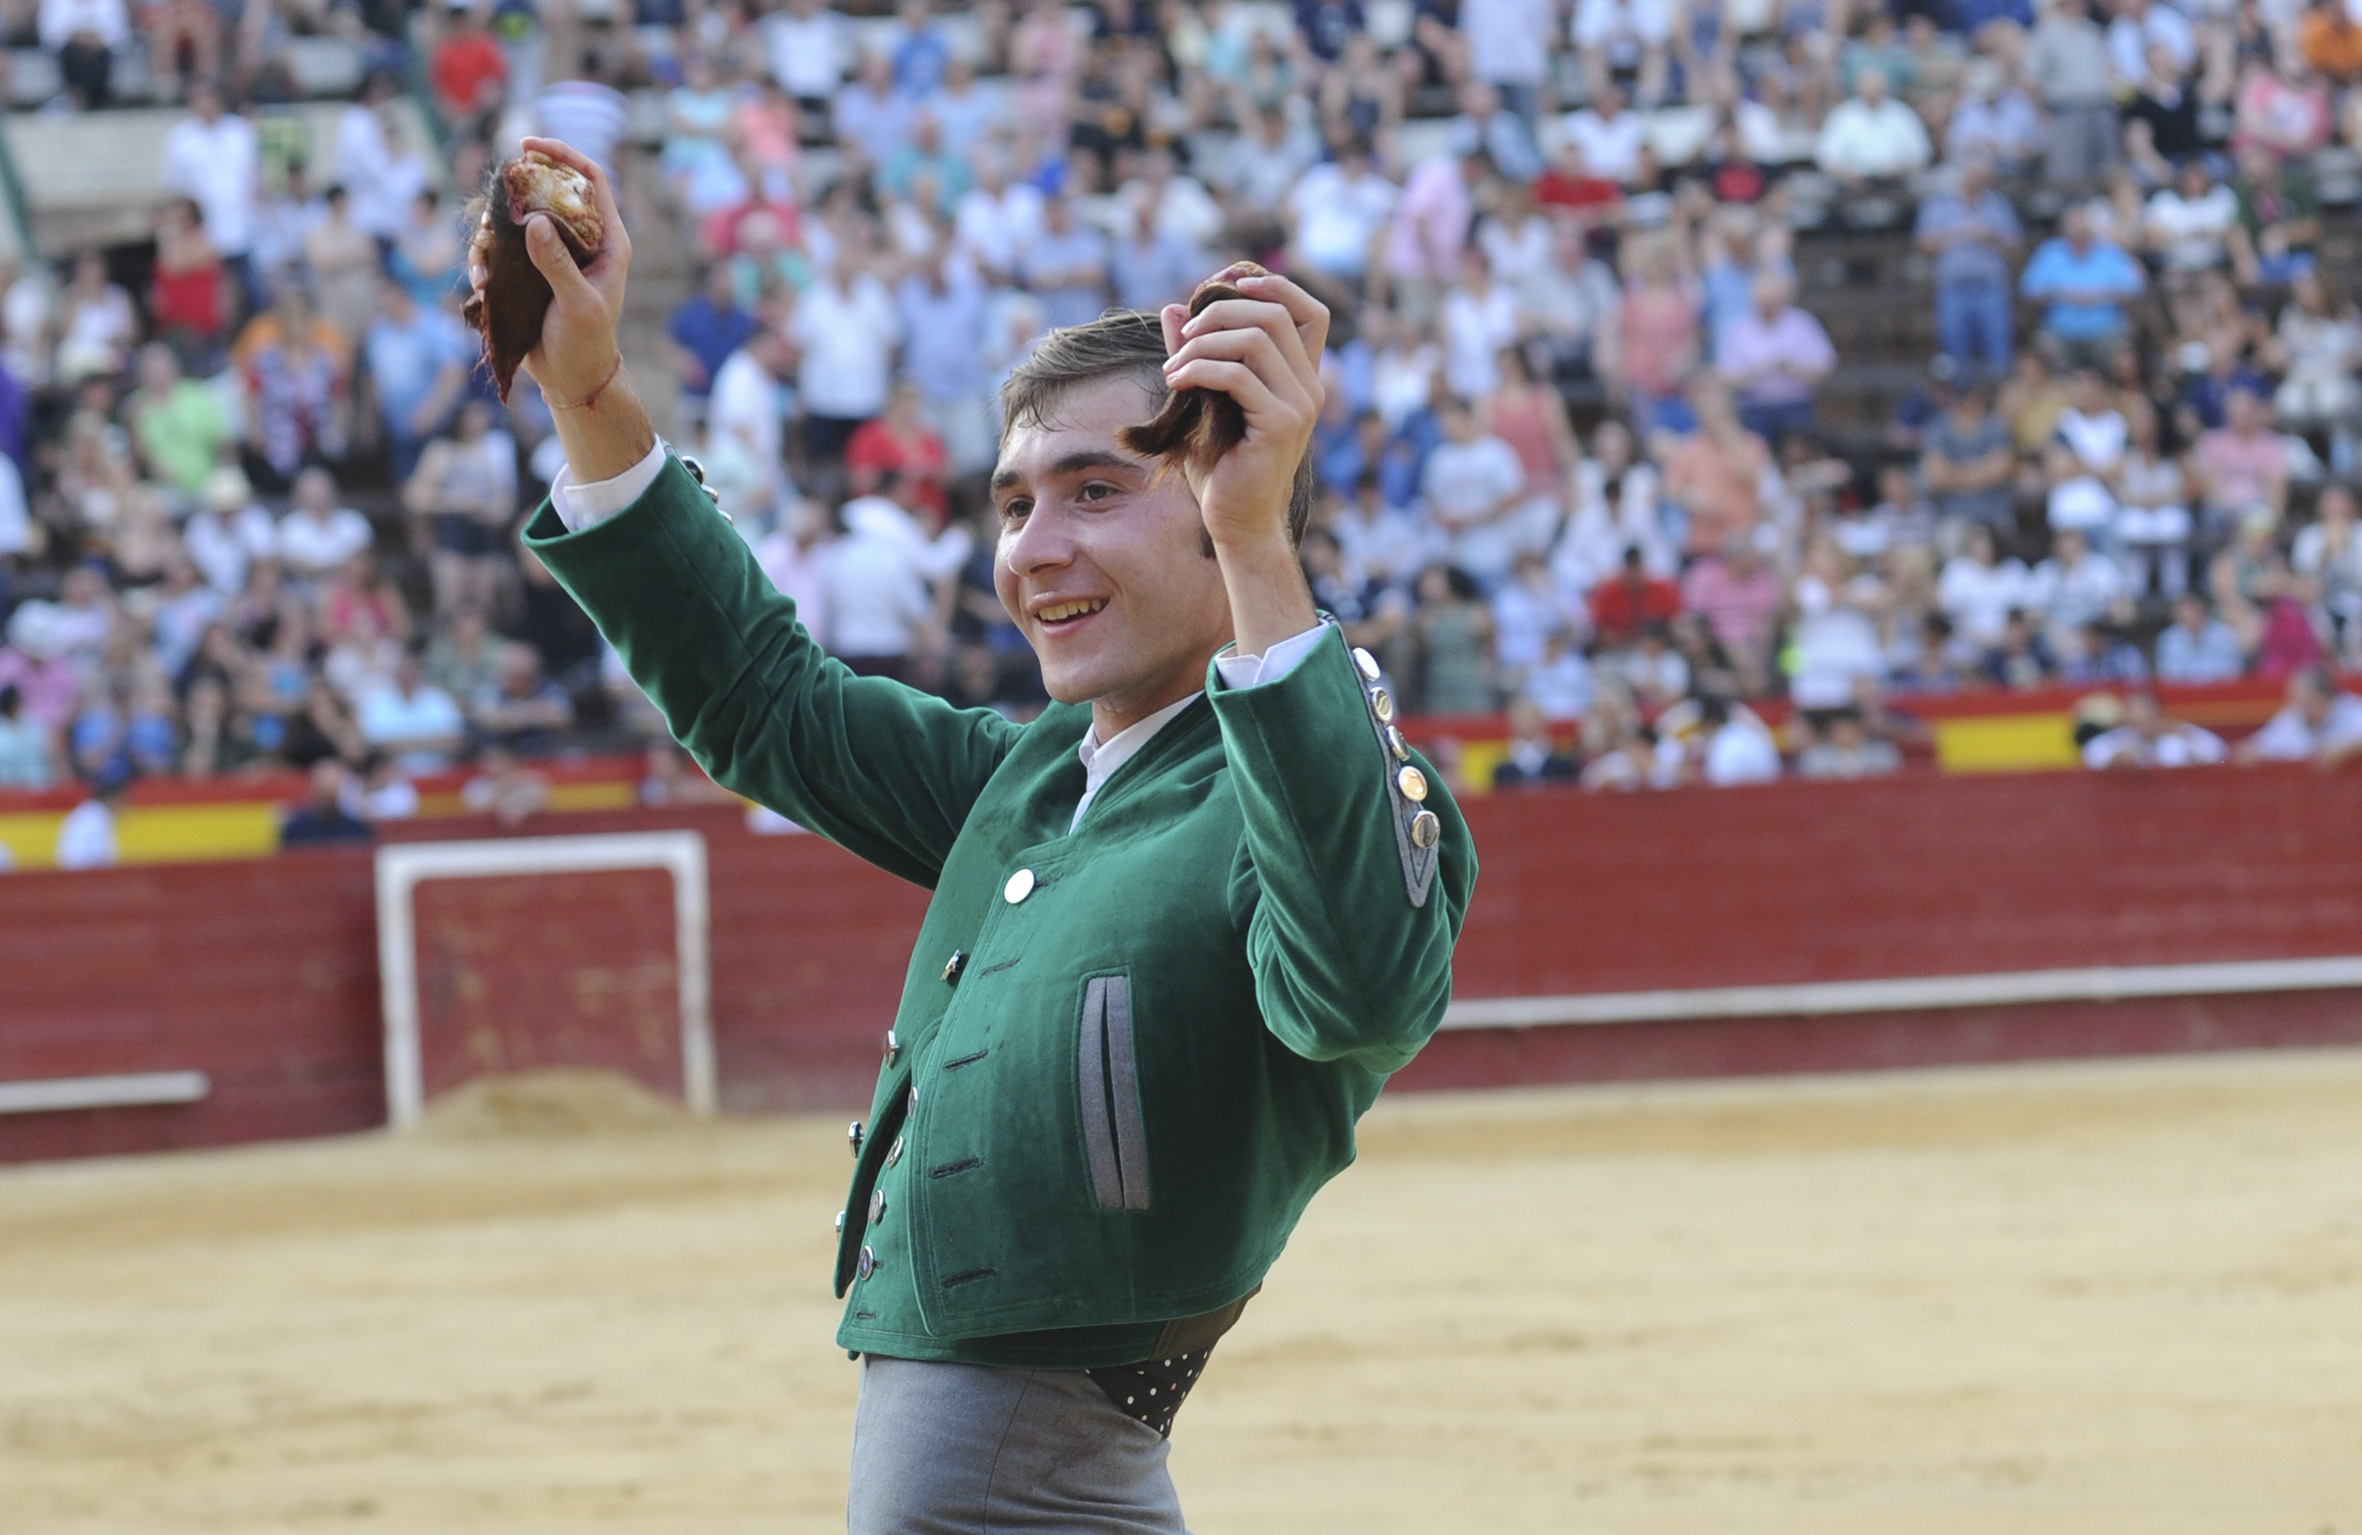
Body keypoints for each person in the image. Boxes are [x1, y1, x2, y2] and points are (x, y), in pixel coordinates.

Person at [492, 137, 1469, 1532]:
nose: (1030, 548)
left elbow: (1360, 987)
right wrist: (586, 390)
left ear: (1227, 491)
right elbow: (764, 696)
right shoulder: (1025, 781)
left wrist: (1258, 546)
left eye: (1092, 489)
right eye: (1013, 504)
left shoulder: (1301, 789)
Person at [2238, 664, 2362, 765]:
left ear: (2320, 699)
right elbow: (2257, 747)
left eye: (2302, 701)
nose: (2296, 706)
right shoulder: (2293, 716)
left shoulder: (2351, 711)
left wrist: (2347, 749)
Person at [2082, 688, 2228, 768]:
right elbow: (2091, 755)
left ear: (2158, 715)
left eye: (2147, 716)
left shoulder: (2178, 732)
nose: (2143, 723)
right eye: (2136, 717)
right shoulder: (2120, 738)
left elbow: (2220, 753)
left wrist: (2190, 744)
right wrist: (2115, 758)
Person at [278, 758, 373, 848]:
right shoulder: (296, 828)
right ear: (314, 788)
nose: (328, 794)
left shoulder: (356, 828)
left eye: (333, 788)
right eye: (324, 788)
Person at [54, 768, 126, 869]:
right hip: (86, 877)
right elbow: (102, 858)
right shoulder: (96, 819)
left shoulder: (87, 813)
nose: (125, 807)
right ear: (112, 799)